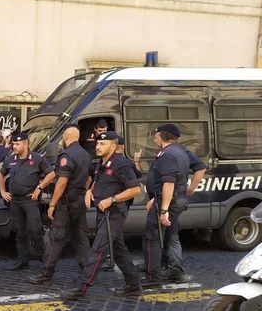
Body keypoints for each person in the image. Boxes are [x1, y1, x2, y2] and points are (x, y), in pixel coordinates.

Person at [60, 131, 142, 300]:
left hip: (114, 212)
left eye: (103, 144)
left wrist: (112, 199)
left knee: (98, 249)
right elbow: (98, 182)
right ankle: (133, 284)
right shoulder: (100, 164)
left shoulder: (121, 164)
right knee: (118, 250)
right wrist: (90, 191)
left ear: (113, 146)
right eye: (97, 143)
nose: (98, 146)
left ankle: (81, 287)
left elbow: (135, 189)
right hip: (102, 212)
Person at [142, 124, 206, 287]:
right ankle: (175, 271)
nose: (154, 138)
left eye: (156, 136)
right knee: (172, 237)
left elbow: (169, 184)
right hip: (174, 200)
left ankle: (153, 277)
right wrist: (190, 189)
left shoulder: (168, 154)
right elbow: (200, 168)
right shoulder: (180, 151)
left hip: (168, 202)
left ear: (162, 136)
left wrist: (163, 209)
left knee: (152, 238)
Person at [28, 125, 92, 284]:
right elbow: (89, 179)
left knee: (56, 238)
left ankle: (46, 273)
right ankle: (88, 273)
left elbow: (62, 182)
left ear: (65, 137)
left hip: (67, 203)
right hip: (80, 201)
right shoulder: (86, 154)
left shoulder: (66, 154)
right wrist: (83, 193)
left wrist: (52, 204)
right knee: (81, 238)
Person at [0, 133, 55, 271]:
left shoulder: (36, 158)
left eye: (17, 144)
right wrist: (3, 191)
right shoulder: (10, 159)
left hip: (30, 201)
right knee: (19, 232)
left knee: (35, 230)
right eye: (13, 144)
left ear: (26, 144)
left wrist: (39, 188)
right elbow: (1, 174)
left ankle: (43, 259)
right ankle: (23, 260)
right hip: (15, 201)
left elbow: (52, 174)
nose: (14, 147)